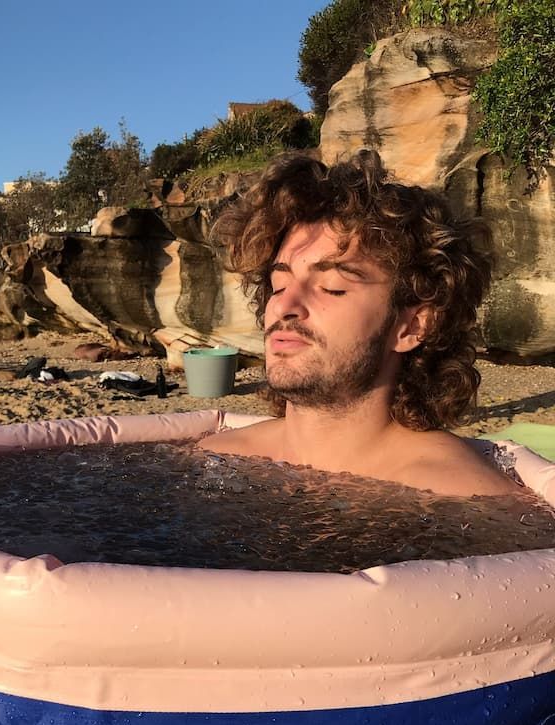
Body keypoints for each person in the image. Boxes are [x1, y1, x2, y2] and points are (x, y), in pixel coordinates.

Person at [198, 151, 519, 497]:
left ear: (412, 326)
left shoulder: (464, 497)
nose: (285, 307)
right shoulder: (217, 456)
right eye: (279, 285)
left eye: (332, 288)